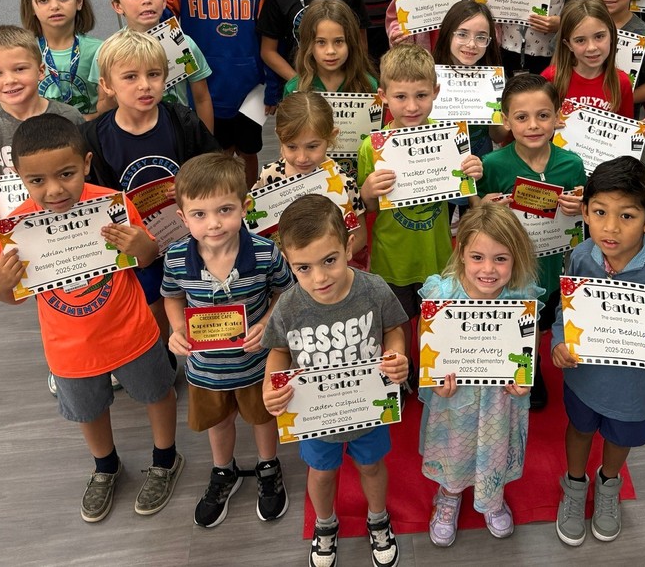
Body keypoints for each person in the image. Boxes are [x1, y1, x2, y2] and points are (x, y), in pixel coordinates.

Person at [0, 113, 182, 523]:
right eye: (37, 180)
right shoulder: (18, 228)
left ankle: (166, 459)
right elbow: (11, 297)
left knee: (157, 393)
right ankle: (105, 467)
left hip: (131, 331)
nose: (55, 189)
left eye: (66, 174)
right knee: (88, 411)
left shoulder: (112, 204)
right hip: (69, 347)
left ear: (87, 163)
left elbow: (148, 258)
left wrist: (141, 244)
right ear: (19, 178)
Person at [551, 155, 645, 546]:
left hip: (636, 390)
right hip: (584, 378)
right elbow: (565, 310)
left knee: (620, 439)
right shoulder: (581, 256)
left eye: (627, 216)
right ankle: (574, 485)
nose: (611, 227)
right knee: (580, 429)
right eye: (600, 212)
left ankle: (608, 485)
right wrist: (558, 342)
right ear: (585, 211)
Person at [262, 194, 409, 567]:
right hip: (317, 417)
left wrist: (396, 354)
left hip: (368, 409)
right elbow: (278, 350)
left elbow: (394, 327)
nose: (320, 277)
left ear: (348, 246)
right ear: (289, 263)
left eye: (329, 260)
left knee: (371, 466)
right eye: (304, 267)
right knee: (322, 472)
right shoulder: (289, 305)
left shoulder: (373, 289)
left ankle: (378, 518)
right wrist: (270, 385)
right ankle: (325, 524)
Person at [162, 153, 296, 527]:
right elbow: (172, 296)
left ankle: (268, 467)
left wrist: (267, 323)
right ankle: (224, 470)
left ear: (244, 206)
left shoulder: (266, 253)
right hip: (206, 370)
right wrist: (177, 329)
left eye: (224, 210)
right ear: (183, 217)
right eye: (200, 214)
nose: (214, 223)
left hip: (256, 365)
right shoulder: (176, 258)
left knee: (262, 419)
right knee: (219, 423)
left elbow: (286, 292)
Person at [84, 29, 220, 351]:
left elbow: (216, 168)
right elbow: (93, 199)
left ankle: (210, 357)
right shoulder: (93, 137)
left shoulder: (182, 121)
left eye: (154, 75)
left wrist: (191, 184)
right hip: (137, 245)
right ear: (107, 85)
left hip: (190, 237)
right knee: (151, 305)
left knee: (201, 295)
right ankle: (161, 359)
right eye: (130, 77)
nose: (145, 85)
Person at [358, 44, 484, 390]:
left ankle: (435, 372)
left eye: (421, 95)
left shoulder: (449, 139)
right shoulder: (372, 147)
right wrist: (367, 190)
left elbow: (470, 203)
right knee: (397, 323)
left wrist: (472, 174)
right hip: (392, 257)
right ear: (383, 96)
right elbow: (369, 208)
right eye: (401, 96)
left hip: (437, 254)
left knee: (436, 318)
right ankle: (402, 374)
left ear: (436, 92)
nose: (412, 106)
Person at [420, 204, 543, 546]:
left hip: (500, 399)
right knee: (454, 446)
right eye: (477, 257)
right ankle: (449, 495)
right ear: (461, 253)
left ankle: (492, 496)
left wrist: (525, 377)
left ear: (516, 257)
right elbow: (427, 344)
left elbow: (529, 342)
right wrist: (434, 382)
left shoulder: (521, 296)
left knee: (495, 445)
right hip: (454, 397)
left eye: (500, 259)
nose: (488, 269)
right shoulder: (442, 295)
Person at [478, 74, 585, 409]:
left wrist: (580, 206)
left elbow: (583, 214)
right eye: (522, 117)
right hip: (508, 268)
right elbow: (476, 218)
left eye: (543, 115)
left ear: (558, 117)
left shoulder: (571, 163)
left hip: (550, 264)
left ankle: (531, 366)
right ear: (506, 120)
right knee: (510, 315)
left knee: (537, 320)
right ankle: (501, 364)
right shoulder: (492, 165)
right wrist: (484, 206)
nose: (533, 125)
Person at [165, 0, 271, 188]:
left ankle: (248, 199)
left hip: (249, 86)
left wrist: (271, 84)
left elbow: (269, 34)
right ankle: (223, 198)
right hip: (204, 86)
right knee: (217, 153)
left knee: (248, 151)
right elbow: (161, 23)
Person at [0, 26, 85, 242]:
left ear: (40, 70)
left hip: (75, 222)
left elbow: (88, 169)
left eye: (19, 69)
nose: (9, 80)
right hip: (24, 231)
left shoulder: (70, 117)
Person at [94, 0, 214, 131]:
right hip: (130, 135)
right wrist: (114, 93)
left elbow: (202, 98)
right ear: (117, 5)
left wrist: (207, 142)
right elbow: (102, 108)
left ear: (164, 0)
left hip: (179, 133)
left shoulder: (183, 42)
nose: (146, 0)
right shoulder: (107, 51)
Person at [254, 91, 366, 264]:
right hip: (281, 271)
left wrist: (327, 261)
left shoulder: (344, 184)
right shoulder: (269, 176)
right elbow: (254, 224)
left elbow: (359, 236)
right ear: (279, 137)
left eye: (312, 146)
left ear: (331, 136)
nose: (302, 158)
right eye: (292, 147)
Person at [19, 0, 101, 117]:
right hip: (42, 129)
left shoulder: (99, 50)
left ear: (79, 2)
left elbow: (109, 103)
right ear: (31, 8)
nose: (54, 6)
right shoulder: (23, 52)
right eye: (43, 0)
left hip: (88, 128)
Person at [432, 0, 507, 157]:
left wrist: (507, 121)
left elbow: (497, 136)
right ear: (447, 34)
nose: (472, 44)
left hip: (481, 159)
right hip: (439, 159)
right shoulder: (429, 76)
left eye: (481, 37)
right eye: (462, 34)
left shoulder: (495, 81)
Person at [543, 0, 635, 118]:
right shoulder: (550, 78)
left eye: (599, 36)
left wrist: (635, 129)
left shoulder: (622, 82)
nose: (591, 47)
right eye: (580, 40)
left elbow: (624, 124)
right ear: (568, 44)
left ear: (612, 36)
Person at [284, 0, 378, 96]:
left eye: (338, 41)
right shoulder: (294, 88)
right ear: (308, 45)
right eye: (321, 42)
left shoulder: (368, 85)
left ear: (350, 42)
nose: (330, 51)